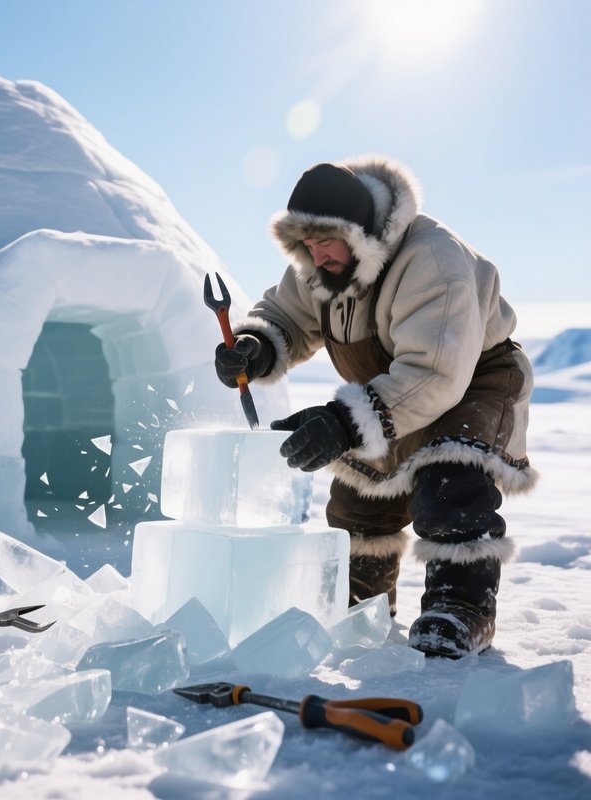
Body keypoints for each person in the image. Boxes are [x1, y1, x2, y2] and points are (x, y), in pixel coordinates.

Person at [214, 156, 537, 658]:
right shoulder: (320, 264)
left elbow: (434, 372)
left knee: (450, 482)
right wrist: (257, 346)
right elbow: (288, 315)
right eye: (307, 246)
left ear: (360, 234)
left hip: (471, 381)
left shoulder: (432, 259)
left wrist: (343, 421)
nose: (315, 257)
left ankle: (459, 610)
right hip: (389, 387)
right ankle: (360, 605)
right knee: (358, 502)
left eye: (325, 243)